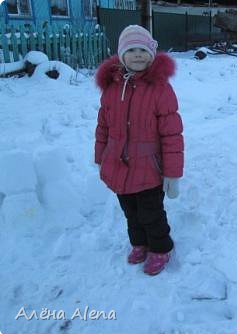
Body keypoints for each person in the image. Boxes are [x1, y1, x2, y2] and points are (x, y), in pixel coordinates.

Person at [94, 25, 184, 276]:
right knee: (130, 213)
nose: (137, 55)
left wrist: (172, 174)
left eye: (143, 50)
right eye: (131, 50)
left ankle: (161, 248)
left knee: (151, 213)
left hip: (149, 169)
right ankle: (139, 243)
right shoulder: (112, 88)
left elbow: (172, 134)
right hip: (118, 166)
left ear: (151, 54)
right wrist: (101, 157)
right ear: (122, 54)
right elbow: (103, 125)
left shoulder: (160, 89)